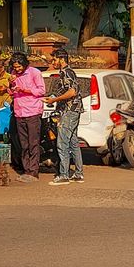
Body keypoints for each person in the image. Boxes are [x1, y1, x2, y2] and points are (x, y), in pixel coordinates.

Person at [44, 48, 84, 186]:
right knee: (73, 142)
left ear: (61, 59)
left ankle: (64, 175)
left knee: (62, 143)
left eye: (54, 59)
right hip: (72, 110)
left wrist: (54, 100)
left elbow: (72, 92)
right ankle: (78, 173)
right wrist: (52, 98)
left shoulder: (67, 72)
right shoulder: (66, 73)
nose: (53, 62)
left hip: (70, 110)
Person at [9, 52, 45, 183]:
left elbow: (41, 91)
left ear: (24, 64)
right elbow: (12, 91)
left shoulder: (35, 73)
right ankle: (26, 170)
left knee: (33, 143)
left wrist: (24, 90)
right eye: (15, 67)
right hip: (19, 112)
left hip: (33, 111)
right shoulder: (13, 74)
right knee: (23, 144)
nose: (17, 69)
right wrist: (11, 85)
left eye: (19, 67)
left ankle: (33, 171)